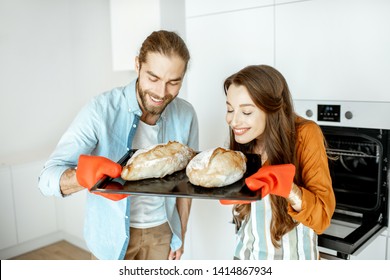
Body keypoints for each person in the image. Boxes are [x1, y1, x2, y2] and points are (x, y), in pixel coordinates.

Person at [38, 30, 199, 260]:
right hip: (109, 237)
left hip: (162, 234)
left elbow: (186, 185)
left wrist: (180, 235)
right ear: (137, 65)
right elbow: (46, 178)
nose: (161, 93)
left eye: (173, 82)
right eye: (153, 78)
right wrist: (81, 177)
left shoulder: (186, 115)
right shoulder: (100, 110)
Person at [220, 64, 335, 260]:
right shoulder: (245, 139)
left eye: (246, 112)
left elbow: (322, 219)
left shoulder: (305, 135)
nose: (233, 121)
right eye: (230, 109)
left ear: (272, 111)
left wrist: (291, 190)